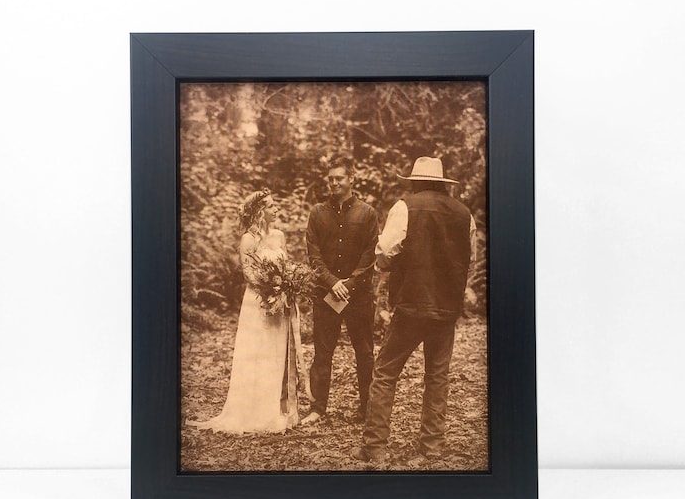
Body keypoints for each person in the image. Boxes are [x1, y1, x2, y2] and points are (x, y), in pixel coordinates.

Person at [352, 157, 477, 465]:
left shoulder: (404, 207)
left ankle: (375, 447)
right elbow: (469, 259)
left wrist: (397, 265)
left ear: (416, 181)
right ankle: (432, 448)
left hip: (410, 305)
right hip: (446, 307)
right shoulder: (464, 214)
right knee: (437, 376)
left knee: (384, 373)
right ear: (443, 182)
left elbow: (384, 254)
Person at [188, 189, 299, 433]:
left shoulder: (279, 236)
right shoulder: (248, 239)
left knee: (275, 353)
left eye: (275, 204)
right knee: (256, 353)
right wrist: (270, 288)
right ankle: (252, 412)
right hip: (258, 302)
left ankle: (272, 410)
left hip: (279, 303)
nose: (276, 209)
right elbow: (248, 273)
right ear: (260, 212)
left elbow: (286, 265)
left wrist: (288, 285)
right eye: (271, 206)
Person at [301, 155, 379, 425]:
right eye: (331, 178)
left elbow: (371, 254)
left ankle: (367, 408)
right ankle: (317, 409)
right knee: (322, 353)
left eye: (339, 178)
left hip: (359, 297)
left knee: (365, 352)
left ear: (351, 179)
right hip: (326, 295)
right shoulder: (317, 213)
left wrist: (350, 283)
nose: (334, 182)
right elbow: (313, 254)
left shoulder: (367, 213)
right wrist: (332, 282)